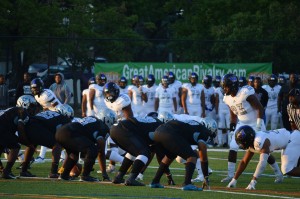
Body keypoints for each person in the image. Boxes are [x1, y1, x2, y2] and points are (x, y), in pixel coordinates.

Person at [220, 74, 283, 183]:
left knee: (260, 149)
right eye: (223, 86)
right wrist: (232, 128)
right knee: (233, 146)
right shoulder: (227, 98)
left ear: (234, 86)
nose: (224, 88)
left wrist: (259, 124)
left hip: (255, 122)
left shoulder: (244, 93)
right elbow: (233, 114)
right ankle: (230, 175)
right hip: (242, 123)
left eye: (226, 86)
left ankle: (278, 172)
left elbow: (260, 108)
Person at [149, 117, 216, 191]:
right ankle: (187, 183)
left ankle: (155, 181)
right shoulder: (204, 131)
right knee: (192, 155)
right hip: (170, 133)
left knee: (170, 155)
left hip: (158, 131)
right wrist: (206, 176)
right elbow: (203, 155)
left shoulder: (194, 124)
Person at [227, 125, 300, 190]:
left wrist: (253, 181)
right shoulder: (253, 142)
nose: (241, 145)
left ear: (248, 139)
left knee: (287, 169)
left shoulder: (259, 141)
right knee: (286, 167)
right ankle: (279, 175)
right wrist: (234, 179)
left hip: (293, 139)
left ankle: (279, 174)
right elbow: (244, 161)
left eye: (242, 142)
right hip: (289, 139)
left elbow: (262, 163)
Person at [110, 115, 170, 186]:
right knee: (144, 152)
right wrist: (168, 174)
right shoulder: (161, 128)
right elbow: (160, 155)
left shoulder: (154, 122)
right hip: (124, 129)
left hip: (114, 129)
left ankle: (119, 177)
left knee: (133, 152)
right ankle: (131, 179)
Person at [55, 113, 113, 182]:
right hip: (70, 133)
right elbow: (101, 151)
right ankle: (85, 176)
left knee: (74, 154)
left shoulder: (92, 119)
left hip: (60, 132)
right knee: (93, 149)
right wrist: (104, 173)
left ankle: (64, 175)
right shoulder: (103, 127)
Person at [19, 104, 73, 178]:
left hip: (26, 126)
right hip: (36, 127)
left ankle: (23, 170)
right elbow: (60, 135)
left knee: (33, 144)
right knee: (57, 144)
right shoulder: (63, 118)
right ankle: (53, 172)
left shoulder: (49, 113)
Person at [30, 78, 62, 163]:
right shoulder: (36, 96)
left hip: (58, 113)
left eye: (36, 88)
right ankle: (42, 157)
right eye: (33, 88)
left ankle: (44, 157)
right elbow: (45, 106)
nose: (34, 89)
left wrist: (47, 114)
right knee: (47, 134)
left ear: (40, 87)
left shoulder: (47, 94)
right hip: (51, 113)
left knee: (58, 136)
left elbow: (55, 104)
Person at [0, 105, 32, 179]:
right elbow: (20, 127)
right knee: (15, 146)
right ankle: (7, 171)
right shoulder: (24, 112)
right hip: (3, 130)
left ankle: (2, 169)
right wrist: (26, 142)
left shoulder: (12, 109)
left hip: (4, 130)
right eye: (33, 106)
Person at [214, 79, 230, 147]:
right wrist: (217, 112)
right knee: (221, 126)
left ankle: (229, 142)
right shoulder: (217, 90)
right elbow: (217, 101)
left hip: (228, 109)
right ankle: (220, 142)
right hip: (221, 109)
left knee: (229, 126)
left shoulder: (229, 89)